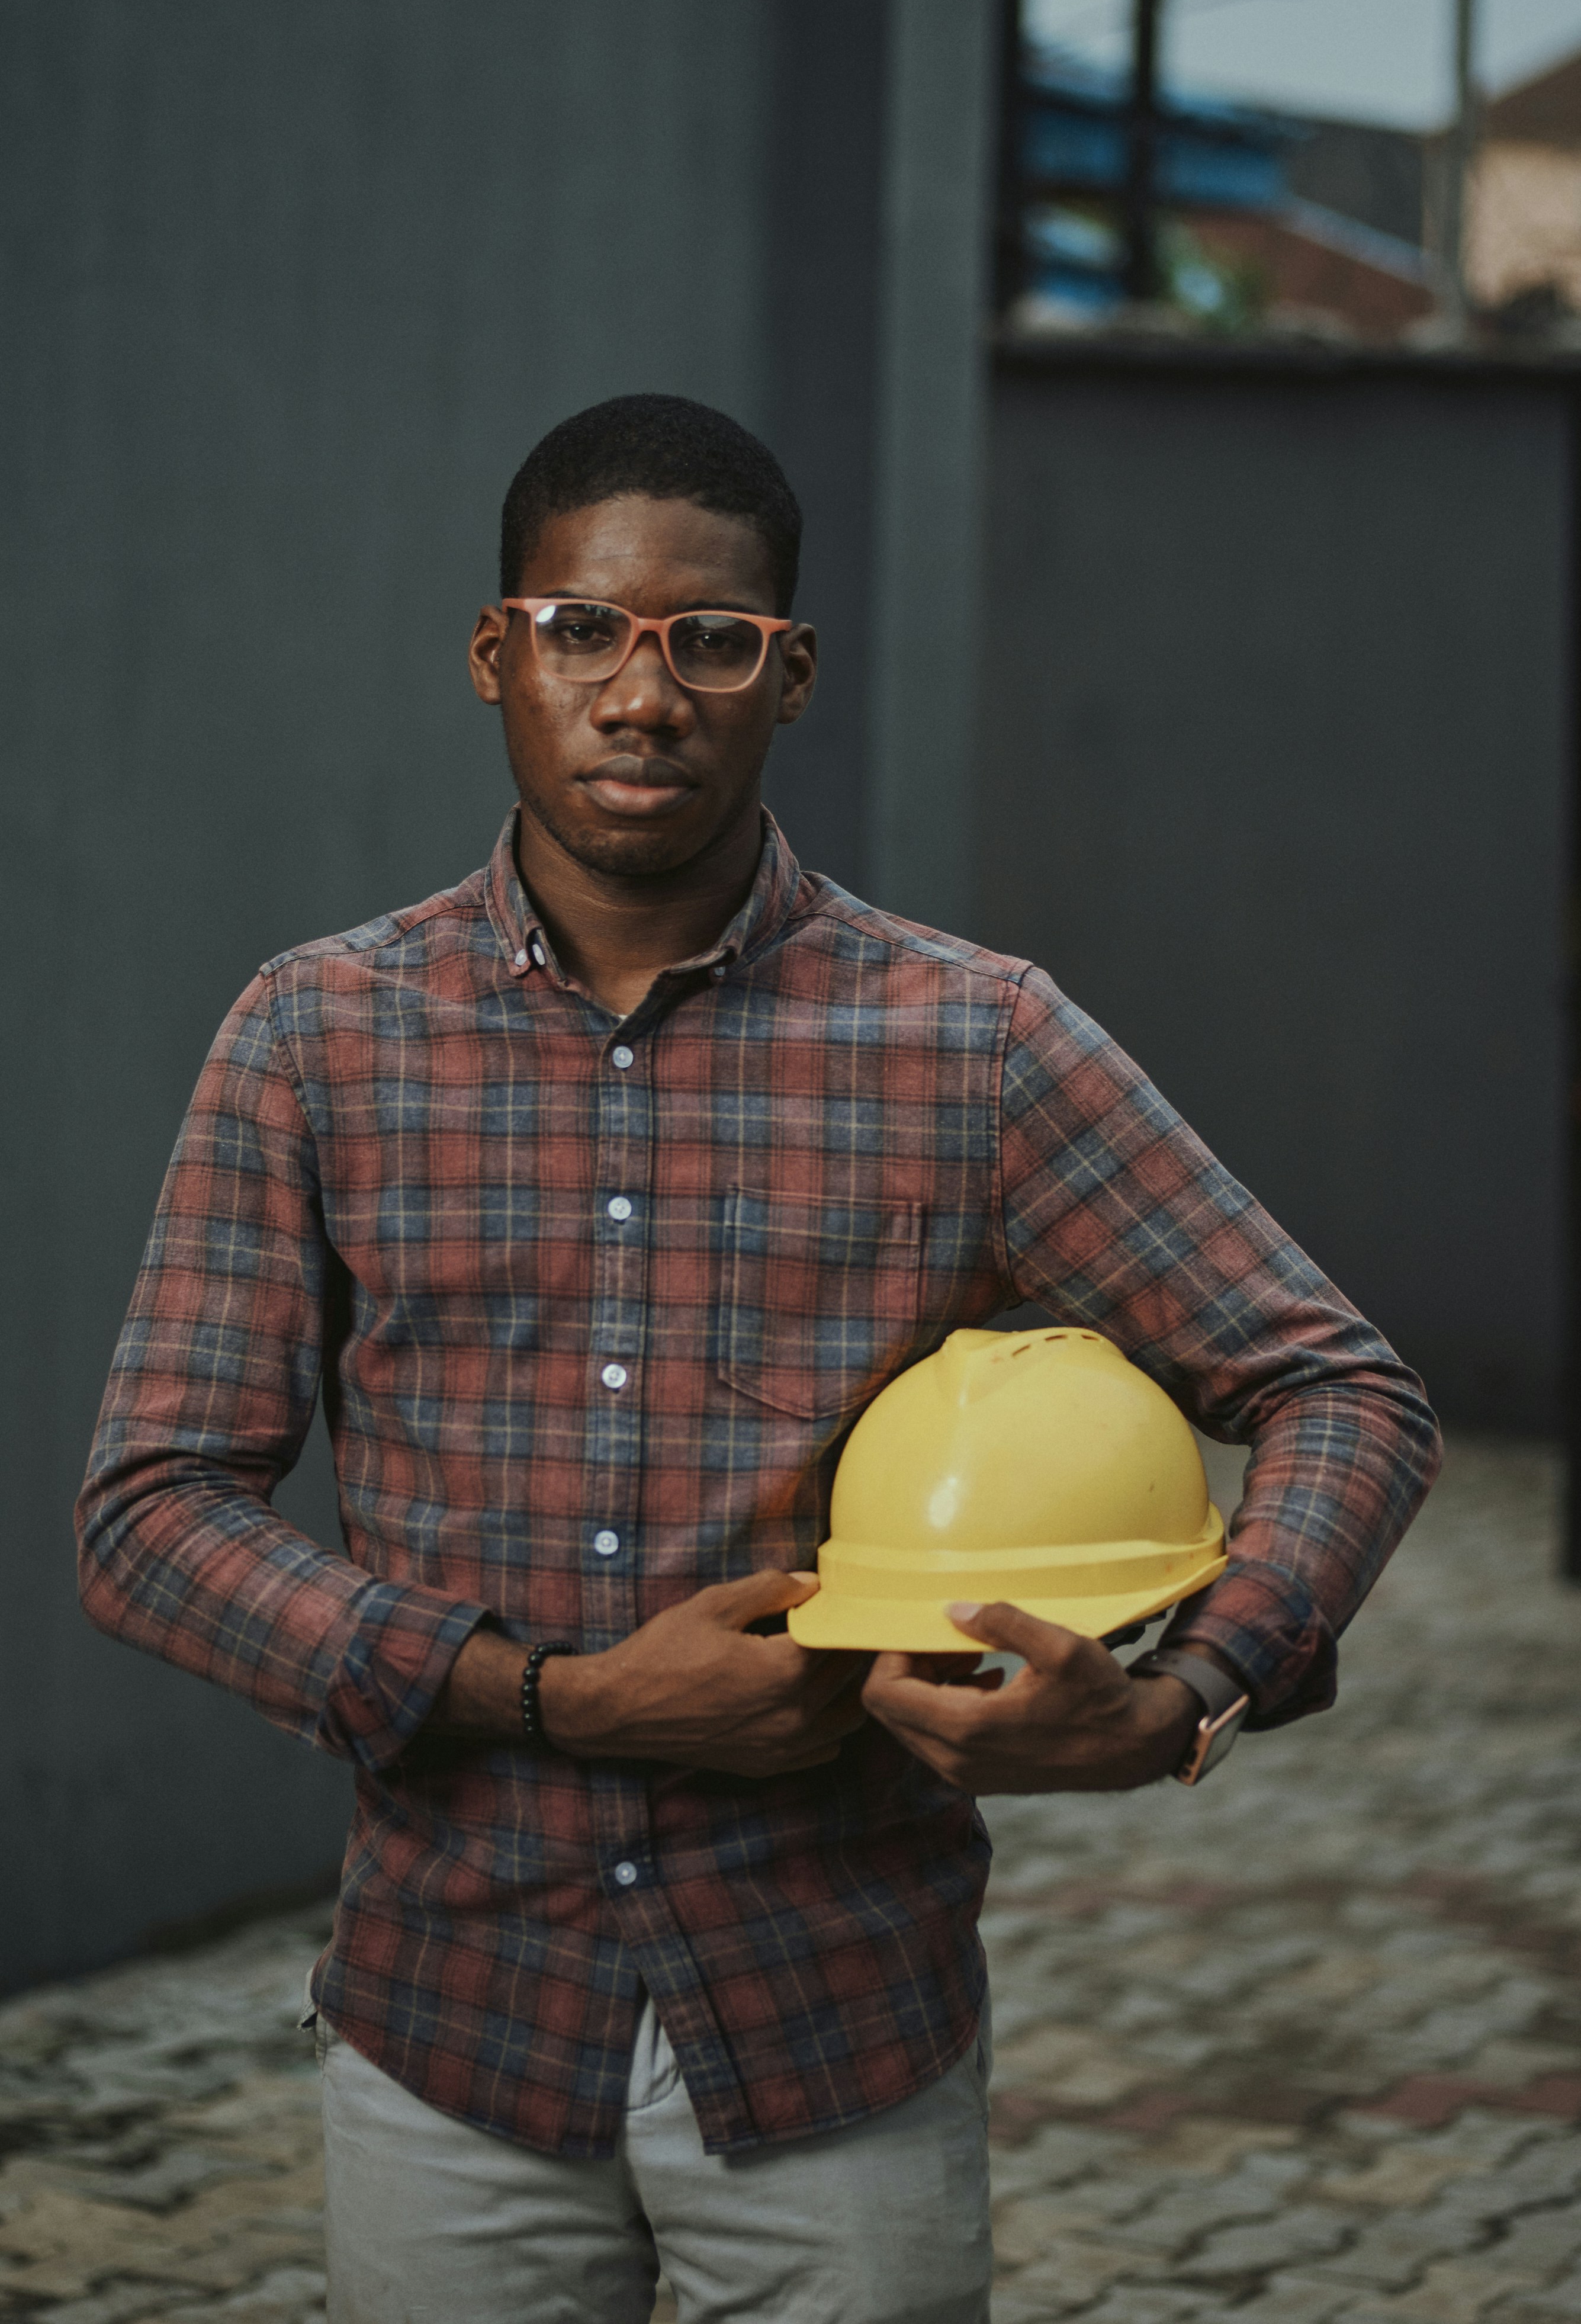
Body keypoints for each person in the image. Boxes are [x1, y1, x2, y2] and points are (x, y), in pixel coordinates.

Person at [77, 393, 1441, 2324]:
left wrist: (1187, 1698)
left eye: (709, 639)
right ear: (496, 656)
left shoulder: (973, 1043)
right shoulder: (317, 1038)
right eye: (584, 630)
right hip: (452, 2026)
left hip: (837, 2030)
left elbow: (1341, 1390)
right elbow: (148, 1515)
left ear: (788, 676)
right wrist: (553, 1699)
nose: (645, 695)